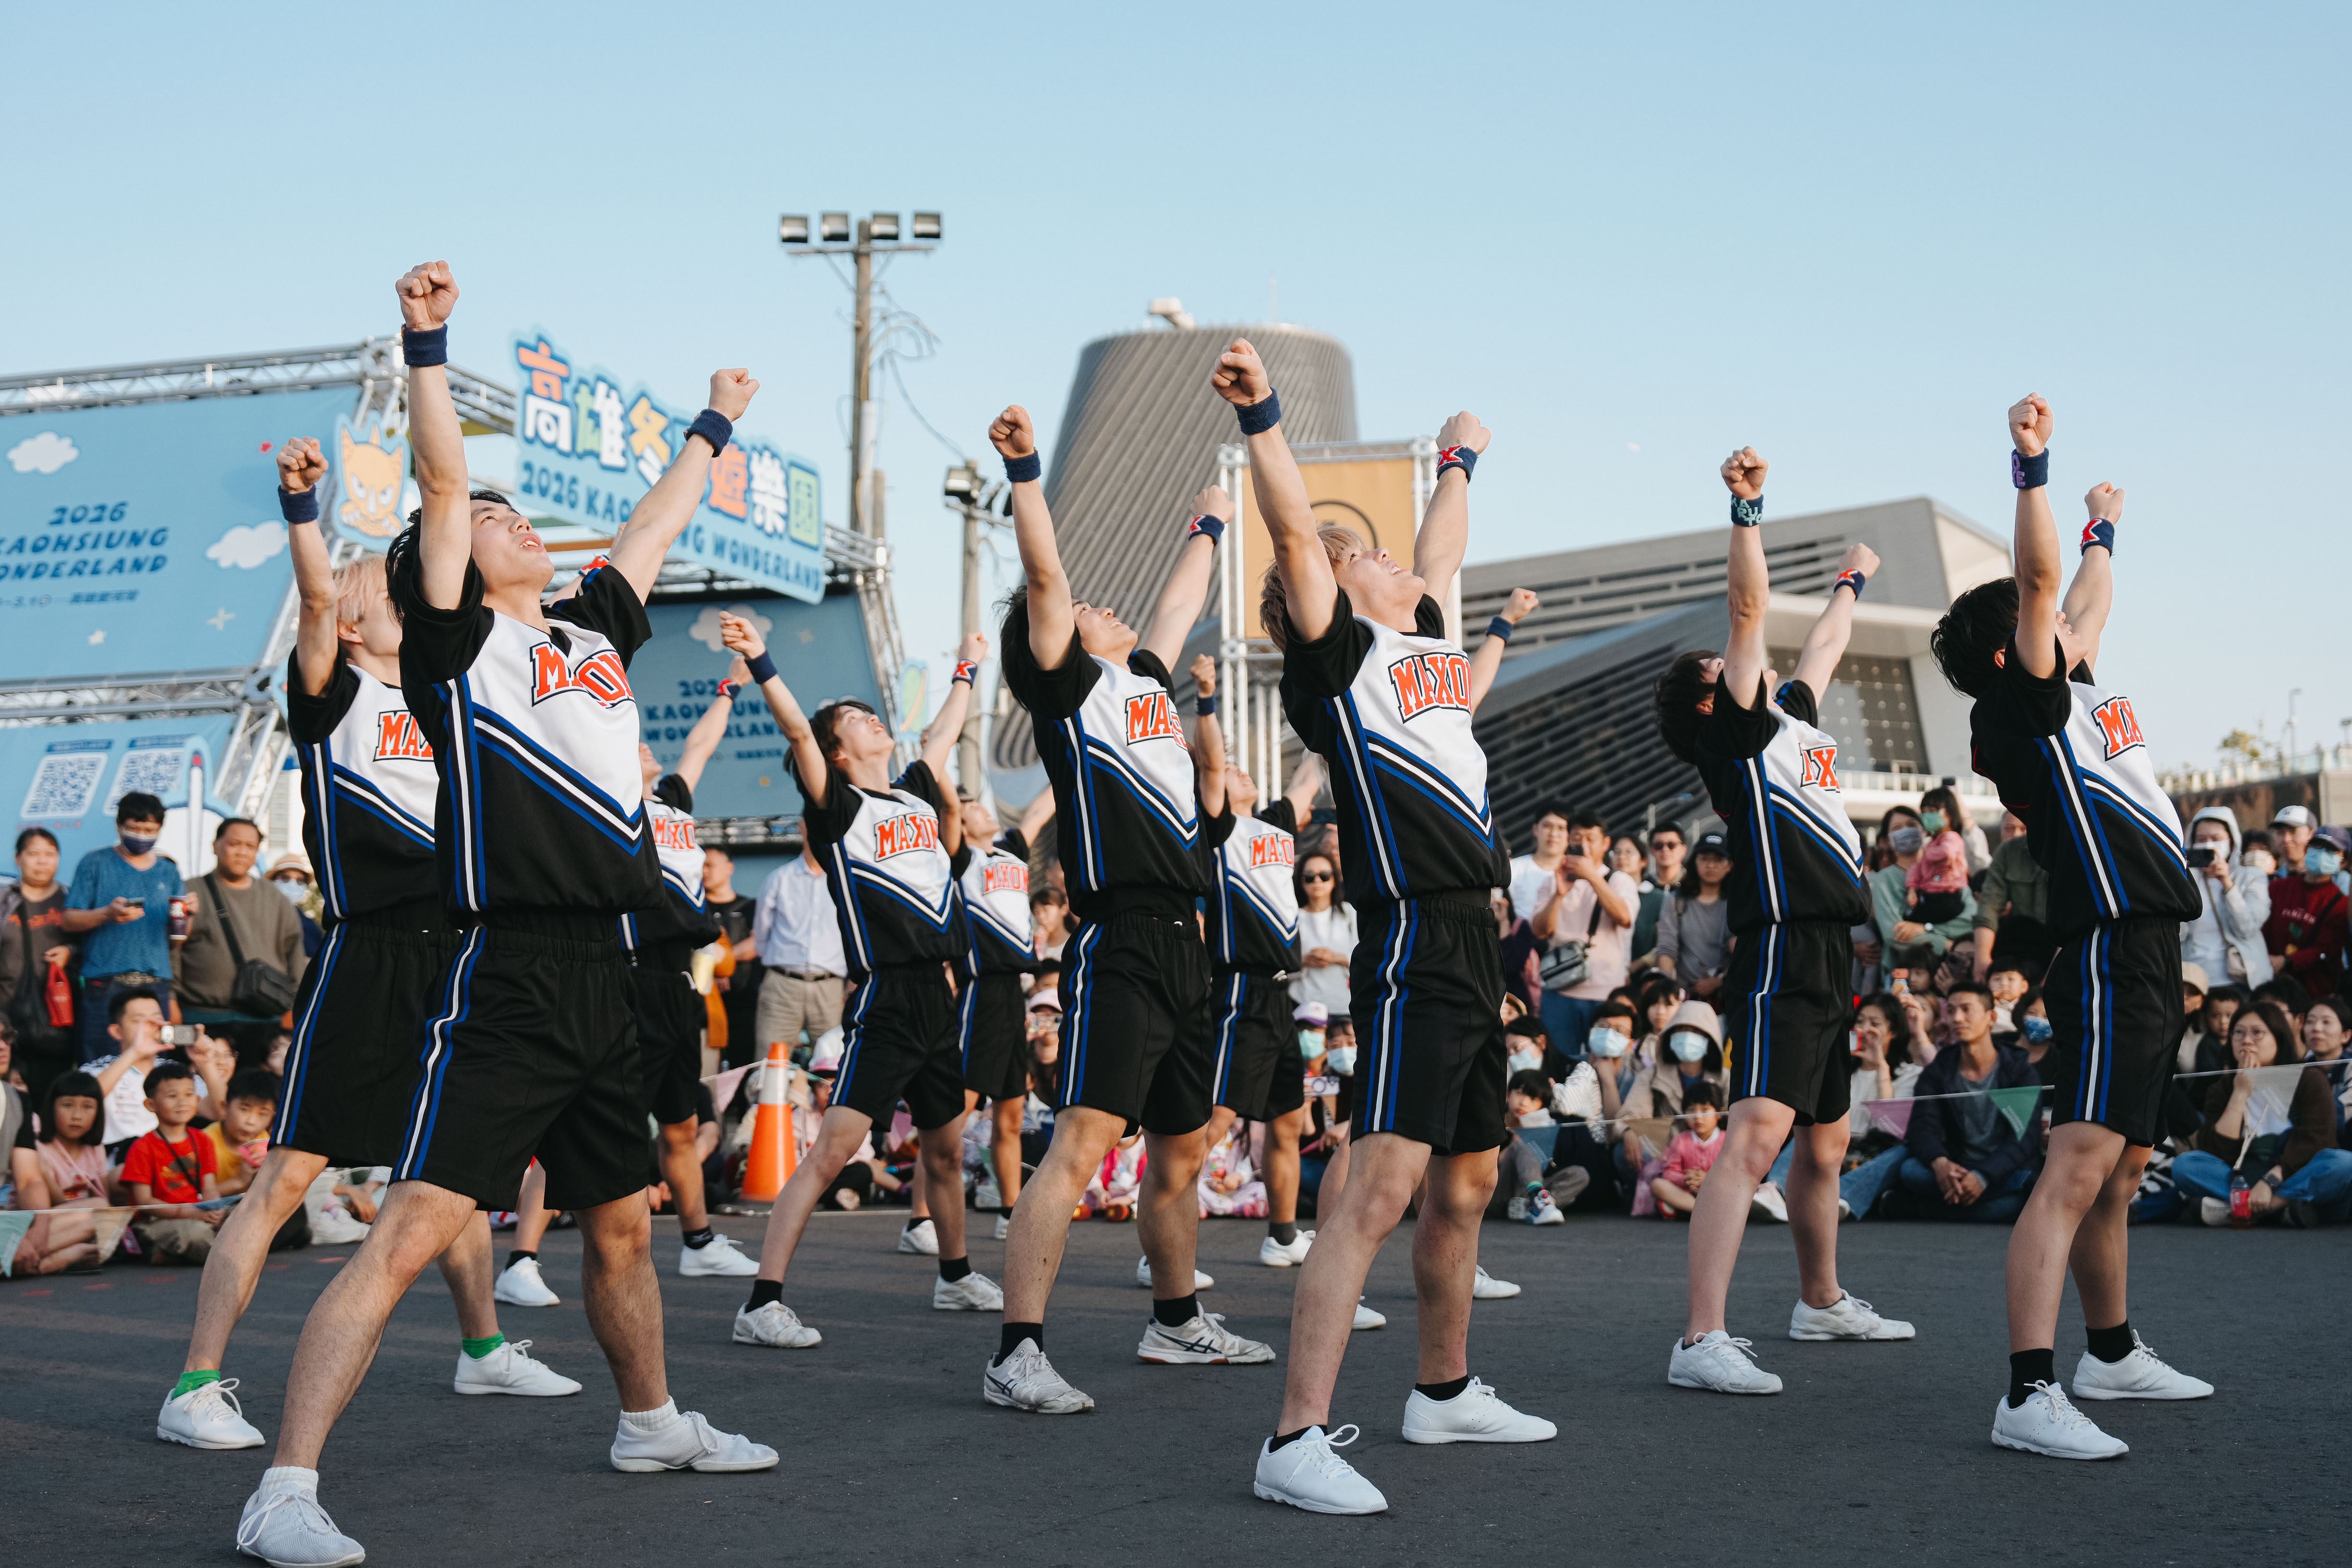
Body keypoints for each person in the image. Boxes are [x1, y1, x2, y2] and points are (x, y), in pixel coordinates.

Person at [230, 264, 775, 1568]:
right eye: (492, 514)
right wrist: (429, 343)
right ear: (448, 565)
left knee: (626, 1223)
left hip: (612, 972)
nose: (512, 519)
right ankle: (283, 1489)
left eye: (518, 508)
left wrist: (714, 421)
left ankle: (650, 1420)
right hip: (511, 970)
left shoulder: (589, 631)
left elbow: (652, 519)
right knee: (419, 1226)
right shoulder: (454, 642)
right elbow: (434, 483)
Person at [170, 436, 582, 1467]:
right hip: (371, 958)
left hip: (460, 953)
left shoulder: (453, 699)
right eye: (382, 585)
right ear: (357, 618)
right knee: (285, 1177)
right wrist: (304, 512)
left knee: (450, 1170)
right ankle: (194, 1381)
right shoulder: (336, 697)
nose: (403, 590)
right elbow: (312, 601)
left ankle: (483, 1344)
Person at [1215, 340, 1550, 1519]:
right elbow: (1302, 539)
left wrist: (1460, 457)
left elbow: (1444, 549)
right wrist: (1262, 417)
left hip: (1476, 938)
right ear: (1330, 596)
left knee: (1464, 1184)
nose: (1387, 561)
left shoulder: (1425, 656)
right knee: (1373, 1187)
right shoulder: (1340, 662)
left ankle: (1442, 1385)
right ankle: (1292, 1436)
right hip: (1410, 940)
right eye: (1364, 558)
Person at [1930, 393, 2211, 1463]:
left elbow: (2080, 598)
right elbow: (2046, 590)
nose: (2052, 627)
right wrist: (2032, 468)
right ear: (2009, 648)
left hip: (2150, 942)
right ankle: (2026, 1392)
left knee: (2125, 1164)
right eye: (2030, 624)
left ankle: (2111, 1350)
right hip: (2102, 946)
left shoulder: (2071, 678)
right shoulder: (2018, 708)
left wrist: (2103, 525)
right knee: (2077, 1163)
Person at [982, 408, 1267, 1416]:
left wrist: (1209, 523)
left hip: (1190, 941)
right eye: (1081, 607)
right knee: (1083, 1140)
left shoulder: (1139, 679)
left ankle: (1177, 1321)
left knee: (1182, 1149)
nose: (1103, 608)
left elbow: (1178, 606)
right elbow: (1049, 583)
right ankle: (1017, 1351)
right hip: (1123, 938)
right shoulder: (1064, 689)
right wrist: (1025, 472)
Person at [1650, 445, 1908, 1397]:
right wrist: (1747, 511)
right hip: (1776, 946)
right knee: (1755, 1134)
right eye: (1723, 666)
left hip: (1828, 947)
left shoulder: (1787, 719)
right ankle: (1700, 1338)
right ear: (1710, 702)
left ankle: (1819, 1298)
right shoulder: (1735, 737)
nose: (1742, 661)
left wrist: (1851, 577)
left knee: (1828, 1139)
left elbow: (1823, 646)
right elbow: (1751, 612)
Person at [725, 608, 997, 1345]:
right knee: (829, 1153)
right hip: (887, 995)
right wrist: (762, 660)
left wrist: (968, 666)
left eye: (870, 713)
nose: (872, 720)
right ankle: (762, 1301)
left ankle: (953, 1274)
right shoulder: (840, 807)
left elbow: (941, 736)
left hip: (940, 993)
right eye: (854, 718)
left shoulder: (910, 793)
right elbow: (793, 732)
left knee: (944, 1147)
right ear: (836, 752)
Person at [626, 673, 761, 1280]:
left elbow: (700, 746)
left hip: (680, 983)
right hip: (630, 977)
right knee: (598, 1123)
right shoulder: (606, 804)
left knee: (681, 1122)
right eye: (634, 743)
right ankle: (523, 1255)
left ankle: (699, 1239)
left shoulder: (672, 801)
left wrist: (729, 689)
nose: (647, 746)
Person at [953, 787, 1055, 1242]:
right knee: (957, 1112)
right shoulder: (959, 860)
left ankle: (1011, 1211)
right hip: (981, 992)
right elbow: (945, 806)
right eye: (969, 807)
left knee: (1010, 1114)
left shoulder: (1010, 851)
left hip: (1014, 994)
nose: (980, 808)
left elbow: (1038, 808)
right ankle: (920, 1218)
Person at [2170, 1001, 2351, 1226]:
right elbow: (2216, 1151)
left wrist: (2269, 1183)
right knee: (2186, 1165)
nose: (2246, 1041)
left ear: (2278, 1038)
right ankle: (2286, 1208)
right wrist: (2239, 1093)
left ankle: (2255, 1208)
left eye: (2257, 1033)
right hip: (2242, 1176)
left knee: (2343, 1163)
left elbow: (2316, 1141)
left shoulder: (2309, 1079)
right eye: (2239, 1033)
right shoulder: (2223, 1087)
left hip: (2292, 1172)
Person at [1893, 983, 2041, 1222]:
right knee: (1910, 1171)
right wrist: (1940, 1162)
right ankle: (1960, 1199)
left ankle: (1919, 1209)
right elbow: (1922, 1125)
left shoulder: (2018, 1071)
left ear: (1991, 1018)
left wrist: (1984, 1176)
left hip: (2003, 1170)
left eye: (1966, 1009)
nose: (1957, 1018)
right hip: (1958, 1166)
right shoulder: (1940, 1069)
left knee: (2017, 1197)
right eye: (1951, 1011)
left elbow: (2024, 1138)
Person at [174, 817, 309, 1064]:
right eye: (234, 844)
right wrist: (171, 1001)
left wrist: (293, 1009)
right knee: (197, 1092)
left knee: (256, 1097)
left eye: (250, 847)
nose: (242, 852)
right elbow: (172, 950)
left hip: (264, 1020)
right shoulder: (190, 892)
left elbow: (294, 954)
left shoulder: (275, 898)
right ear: (215, 846)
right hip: (201, 1019)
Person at [62, 790, 183, 1061]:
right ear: (119, 826)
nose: (141, 835)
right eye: (134, 828)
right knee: (100, 1061)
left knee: (154, 1060)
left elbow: (177, 939)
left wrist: (190, 915)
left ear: (160, 829)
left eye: (149, 829)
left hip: (155, 984)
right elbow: (69, 919)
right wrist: (106, 914)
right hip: (105, 983)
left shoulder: (169, 872)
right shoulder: (96, 863)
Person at [1529, 811, 1638, 1054]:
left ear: (1606, 844)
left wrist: (1592, 877)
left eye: (1591, 839)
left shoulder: (1619, 880)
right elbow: (1540, 931)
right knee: (1559, 1061)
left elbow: (1624, 917)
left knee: (1604, 1063)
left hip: (1606, 992)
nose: (1584, 845)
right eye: (1577, 838)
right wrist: (1559, 894)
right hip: (1560, 989)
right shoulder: (1553, 881)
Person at [752, 839, 849, 1062]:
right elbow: (761, 932)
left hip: (830, 986)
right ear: (803, 827)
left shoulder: (844, 879)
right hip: (782, 983)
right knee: (768, 1064)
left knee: (835, 1063)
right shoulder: (779, 878)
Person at [3, 827, 81, 1106]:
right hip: (7, 1019)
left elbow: (93, 951)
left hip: (58, 1022)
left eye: (49, 854)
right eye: (33, 854)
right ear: (17, 858)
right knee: (12, 1105)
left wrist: (70, 953)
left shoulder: (72, 901)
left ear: (59, 859)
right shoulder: (4, 902)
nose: (41, 861)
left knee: (51, 1102)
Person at [121, 1059, 226, 1265]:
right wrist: (190, 1213)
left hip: (199, 1213)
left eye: (189, 1095)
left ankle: (174, 1252)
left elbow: (210, 1186)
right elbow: (145, 1201)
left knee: (243, 1218)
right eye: (172, 1096)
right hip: (161, 1219)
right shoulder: (143, 1147)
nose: (182, 1102)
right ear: (151, 1105)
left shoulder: (203, 1140)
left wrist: (215, 1208)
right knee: (196, 1235)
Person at [1870, 805, 1976, 989]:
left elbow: (1971, 919)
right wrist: (1946, 943)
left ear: (1923, 830)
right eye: (1897, 828)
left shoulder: (1950, 868)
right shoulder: (1884, 881)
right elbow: (1894, 934)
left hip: (1951, 973)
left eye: (1911, 824)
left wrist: (1924, 928)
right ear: (1887, 840)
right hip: (1906, 977)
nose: (1906, 831)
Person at [2179, 807, 2272, 990]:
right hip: (2194, 983)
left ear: (2232, 841)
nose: (2208, 844)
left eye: (2216, 839)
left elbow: (2246, 928)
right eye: (2201, 840)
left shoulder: (2252, 877)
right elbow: (2179, 933)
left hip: (2238, 978)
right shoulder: (2186, 880)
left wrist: (2228, 884)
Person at [2263, 825, 2347, 1001]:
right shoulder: (2277, 888)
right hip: (2271, 985)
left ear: (2343, 862)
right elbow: (2262, 927)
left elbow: (2325, 949)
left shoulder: (2341, 903)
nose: (2322, 853)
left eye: (2332, 850)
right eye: (2317, 846)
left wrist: (2285, 962)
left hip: (2314, 992)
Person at [1972, 811, 2055, 982]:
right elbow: (1989, 906)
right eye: (2009, 828)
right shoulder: (2008, 851)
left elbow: (2075, 922)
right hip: (2019, 944)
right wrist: (1982, 960)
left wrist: (2052, 978)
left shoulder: (2075, 852)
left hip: (2060, 946)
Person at [701, 848, 763, 1070]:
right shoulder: (696, 909)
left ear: (729, 868)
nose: (704, 871)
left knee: (745, 1065)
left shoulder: (750, 907)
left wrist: (723, 961)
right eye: (701, 865)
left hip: (744, 1002)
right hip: (705, 1006)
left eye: (710, 865)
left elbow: (758, 945)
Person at [1653, 831, 1733, 1003]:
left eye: (1718, 860)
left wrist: (1718, 982)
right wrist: (1669, 989)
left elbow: (1742, 951)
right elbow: (1667, 947)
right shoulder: (1676, 901)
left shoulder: (1738, 903)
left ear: (1730, 866)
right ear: (1694, 861)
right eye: (1704, 858)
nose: (1711, 865)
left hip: (1727, 997)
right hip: (1685, 995)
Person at [1290, 850, 1356, 1024]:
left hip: (1346, 1007)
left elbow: (1368, 959)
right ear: (1301, 882)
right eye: (1309, 877)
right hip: (1303, 1007)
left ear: (1335, 880)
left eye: (1325, 876)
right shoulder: (1292, 918)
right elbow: (1280, 968)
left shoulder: (1350, 914)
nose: (1317, 881)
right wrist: (1303, 961)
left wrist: (1336, 958)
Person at [1649, 1084, 1725, 1219]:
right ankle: (1703, 1211)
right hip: (1689, 1192)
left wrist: (1708, 1179)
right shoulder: (1681, 1141)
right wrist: (1686, 1179)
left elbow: (1731, 1172)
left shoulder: (1727, 1140)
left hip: (1718, 1192)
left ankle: (1682, 1209)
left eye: (1705, 1110)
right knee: (1658, 1185)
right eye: (1692, 1110)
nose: (1698, 1117)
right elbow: (1670, 1172)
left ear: (1720, 1113)